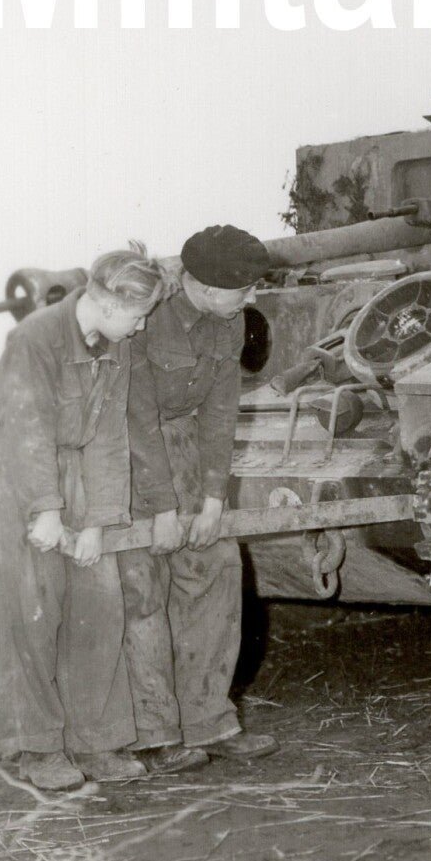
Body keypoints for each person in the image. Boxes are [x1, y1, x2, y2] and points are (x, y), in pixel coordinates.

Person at [0, 245, 172, 792]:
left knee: (100, 602)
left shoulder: (116, 345)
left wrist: (96, 523)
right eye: (138, 317)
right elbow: (27, 429)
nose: (139, 329)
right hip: (18, 478)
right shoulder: (34, 339)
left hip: (82, 474)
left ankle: (97, 737)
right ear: (110, 303)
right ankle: (37, 746)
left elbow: (110, 436)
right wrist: (45, 509)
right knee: (32, 611)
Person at [119, 224, 278, 774]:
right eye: (245, 288)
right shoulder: (146, 314)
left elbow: (219, 412)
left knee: (216, 565)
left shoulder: (227, 320)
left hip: (185, 445)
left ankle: (208, 719)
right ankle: (153, 734)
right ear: (204, 287)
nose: (253, 298)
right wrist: (163, 507)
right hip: (126, 451)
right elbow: (135, 415)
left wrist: (213, 499)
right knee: (143, 586)